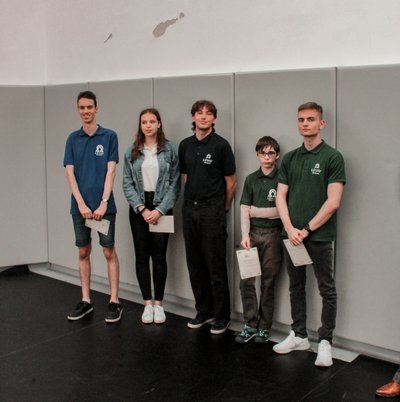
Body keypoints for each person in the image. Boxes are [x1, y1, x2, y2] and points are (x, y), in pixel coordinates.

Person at [273, 102, 346, 367]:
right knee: (296, 286)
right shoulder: (290, 158)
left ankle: (325, 341)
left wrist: (306, 229)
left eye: (311, 119)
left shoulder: (332, 157)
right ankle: (299, 335)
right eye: (301, 119)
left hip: (319, 236)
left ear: (321, 123)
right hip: (292, 236)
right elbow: (280, 196)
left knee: (327, 289)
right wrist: (291, 229)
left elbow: (333, 202)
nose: (305, 124)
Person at [64, 90, 122, 323]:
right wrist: (81, 203)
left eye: (89, 107)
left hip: (103, 208)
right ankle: (86, 300)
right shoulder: (72, 139)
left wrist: (103, 203)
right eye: (82, 107)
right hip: (80, 208)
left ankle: (114, 301)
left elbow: (111, 171)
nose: (86, 111)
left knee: (108, 251)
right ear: (78, 109)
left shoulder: (109, 136)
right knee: (83, 251)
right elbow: (70, 173)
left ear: (96, 108)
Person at [178, 100, 236, 335]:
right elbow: (186, 177)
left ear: (214, 119)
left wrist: (222, 209)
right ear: (193, 117)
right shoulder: (185, 145)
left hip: (213, 210)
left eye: (208, 113)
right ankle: (204, 311)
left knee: (216, 266)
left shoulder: (221, 145)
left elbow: (231, 183)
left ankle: (222, 316)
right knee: (195, 264)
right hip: (189, 208)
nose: (203, 117)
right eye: (199, 113)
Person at [122, 108, 180, 324]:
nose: (148, 125)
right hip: (139, 208)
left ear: (159, 124)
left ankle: (159, 305)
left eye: (152, 121)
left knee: (159, 257)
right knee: (141, 256)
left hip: (161, 206)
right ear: (140, 125)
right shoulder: (131, 151)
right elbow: (127, 183)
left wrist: (159, 210)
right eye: (144, 122)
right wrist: (142, 208)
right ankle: (147, 304)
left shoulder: (170, 150)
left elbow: (175, 183)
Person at [235, 136, 282, 344]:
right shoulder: (251, 179)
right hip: (252, 234)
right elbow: (244, 209)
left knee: (269, 282)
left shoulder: (282, 178)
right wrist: (245, 235)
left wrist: (257, 211)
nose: (267, 157)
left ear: (277, 155)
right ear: (257, 155)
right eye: (263, 153)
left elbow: (282, 211)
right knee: (246, 281)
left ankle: (264, 327)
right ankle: (250, 324)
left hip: (273, 235)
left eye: (271, 153)